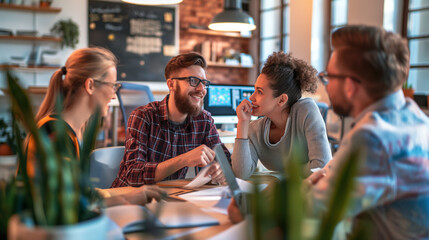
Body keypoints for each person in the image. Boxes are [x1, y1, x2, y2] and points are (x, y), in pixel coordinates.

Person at [230, 25, 429, 238]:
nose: (326, 86)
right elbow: (328, 173)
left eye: (328, 77)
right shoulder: (414, 117)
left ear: (350, 85)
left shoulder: (374, 137)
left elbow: (316, 208)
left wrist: (256, 209)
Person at [25, 47, 165, 207]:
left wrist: (128, 196)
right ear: (90, 85)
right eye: (113, 86)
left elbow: (75, 192)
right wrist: (125, 199)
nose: (114, 95)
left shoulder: (74, 130)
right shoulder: (55, 133)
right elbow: (64, 204)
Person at [111, 52, 230, 187]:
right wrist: (185, 159)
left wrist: (220, 170)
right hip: (127, 199)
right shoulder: (143, 116)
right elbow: (134, 176)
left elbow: (226, 162)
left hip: (167, 197)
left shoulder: (204, 120)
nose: (201, 89)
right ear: (171, 84)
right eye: (193, 81)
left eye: (204, 83)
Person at [232, 52, 332, 179]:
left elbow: (321, 166)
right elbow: (240, 174)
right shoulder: (254, 129)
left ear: (281, 100)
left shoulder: (306, 111)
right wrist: (243, 123)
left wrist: (284, 177)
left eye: (259, 92)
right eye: (254, 90)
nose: (252, 97)